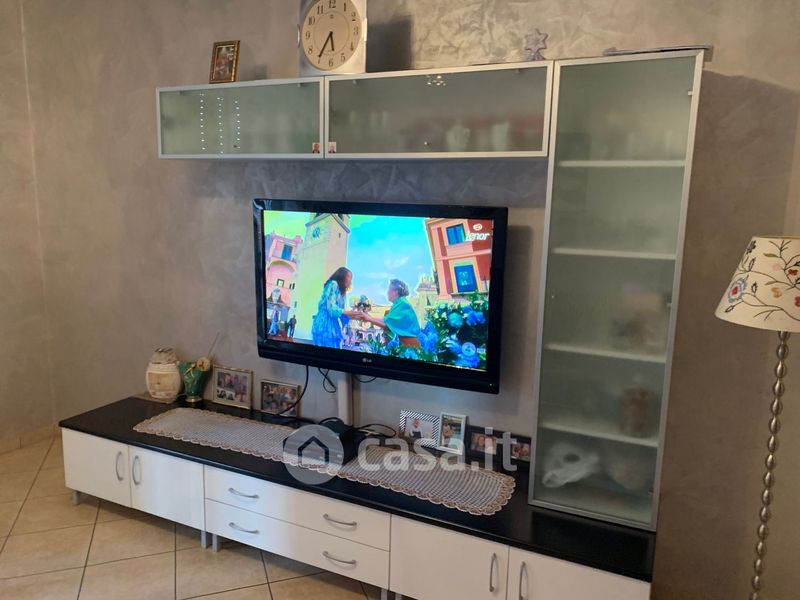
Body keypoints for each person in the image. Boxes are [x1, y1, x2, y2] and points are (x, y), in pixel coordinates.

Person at [358, 279, 421, 347]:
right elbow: (387, 321)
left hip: (410, 346)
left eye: (389, 289)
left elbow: (387, 324)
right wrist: (368, 316)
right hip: (406, 345)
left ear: (396, 292)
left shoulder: (402, 303)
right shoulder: (399, 302)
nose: (387, 292)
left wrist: (368, 318)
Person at [311, 267, 362, 348]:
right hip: (324, 323)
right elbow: (331, 309)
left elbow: (341, 314)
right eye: (349, 277)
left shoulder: (343, 293)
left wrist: (355, 314)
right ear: (342, 276)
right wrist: (348, 313)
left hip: (333, 324)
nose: (350, 280)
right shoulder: (333, 284)